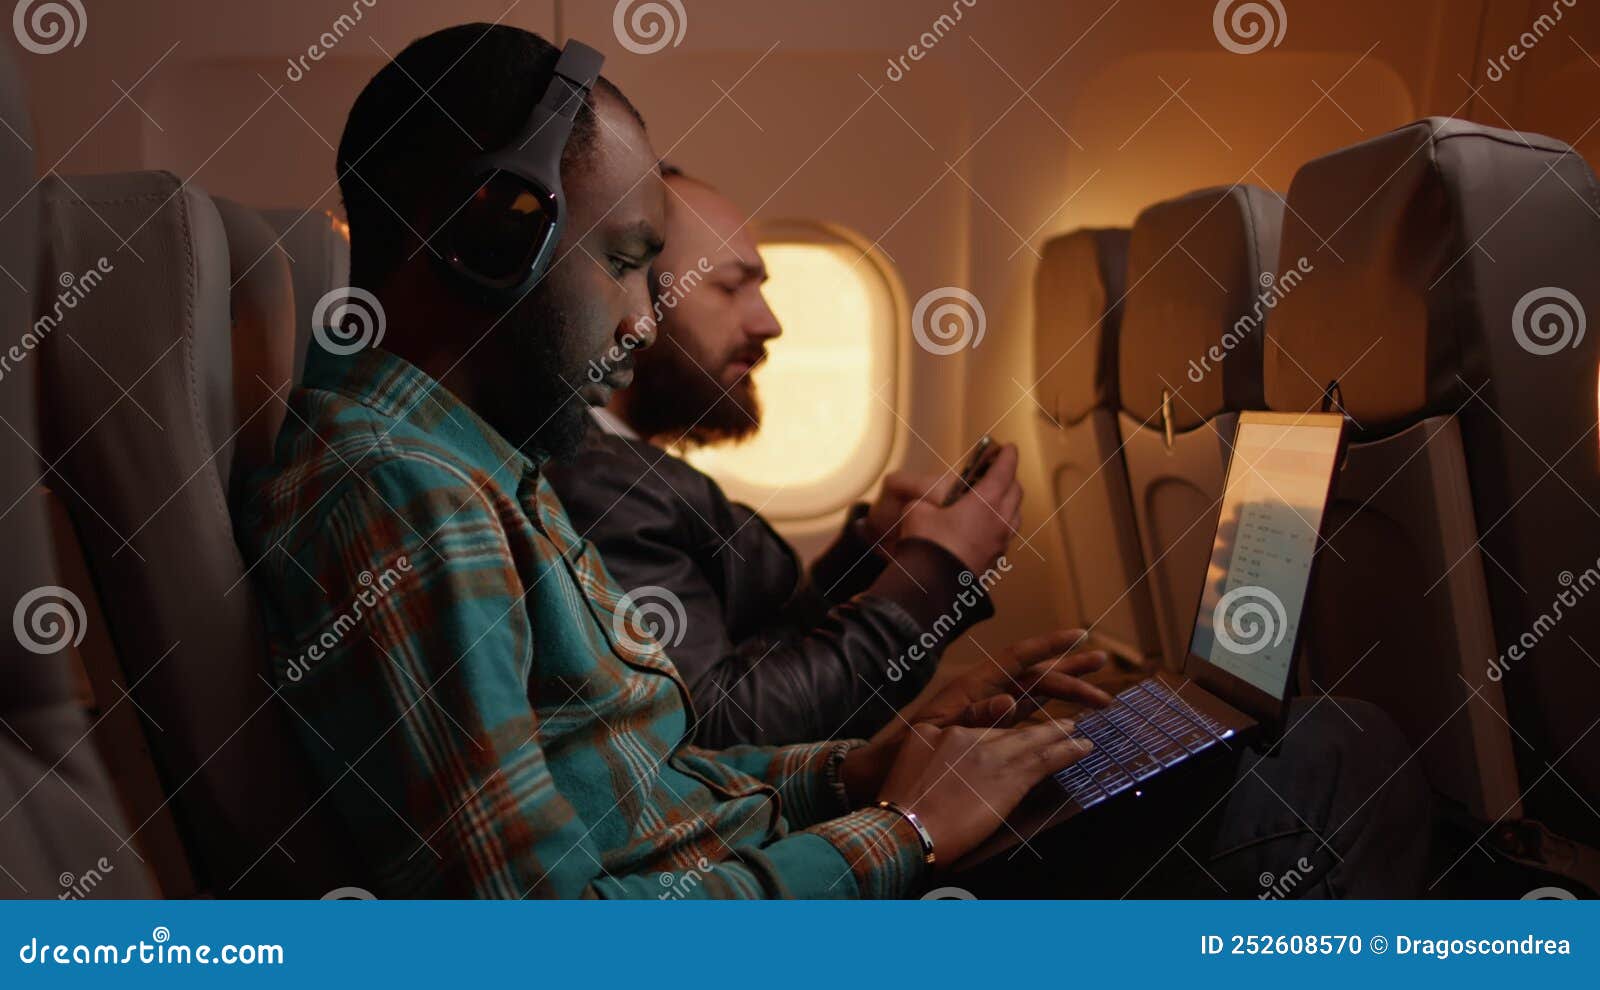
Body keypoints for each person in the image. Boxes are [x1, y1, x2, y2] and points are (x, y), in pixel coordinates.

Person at [239, 22, 1431, 900]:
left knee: (1285, 749)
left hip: (778, 870)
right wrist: (906, 825)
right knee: (1344, 757)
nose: (635, 320)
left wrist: (865, 767)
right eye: (622, 261)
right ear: (483, 241)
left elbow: (652, 784)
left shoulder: (485, 464)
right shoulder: (407, 495)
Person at [544, 166, 1023, 748]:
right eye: (729, 286)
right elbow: (722, 730)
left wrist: (872, 555)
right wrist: (934, 575)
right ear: (631, 296)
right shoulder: (600, 489)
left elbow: (756, 648)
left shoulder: (624, 464)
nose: (768, 322)